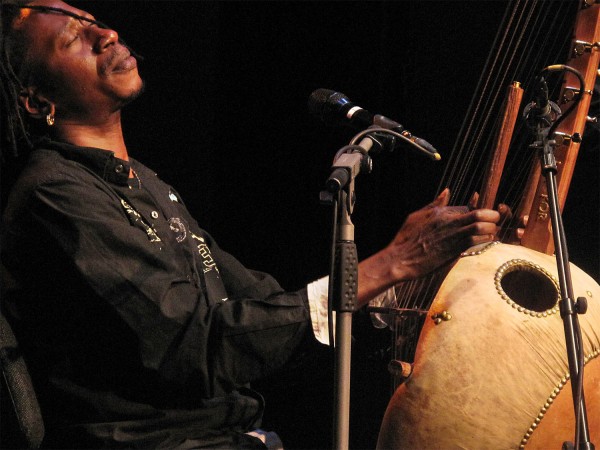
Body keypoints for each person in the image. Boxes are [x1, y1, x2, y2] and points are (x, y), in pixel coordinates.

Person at [0, 1, 505, 448]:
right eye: (73, 39)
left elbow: (259, 311)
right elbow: (196, 345)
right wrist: (394, 261)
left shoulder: (143, 183)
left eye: (94, 22)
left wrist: (405, 282)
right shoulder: (54, 196)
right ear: (37, 101)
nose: (104, 35)